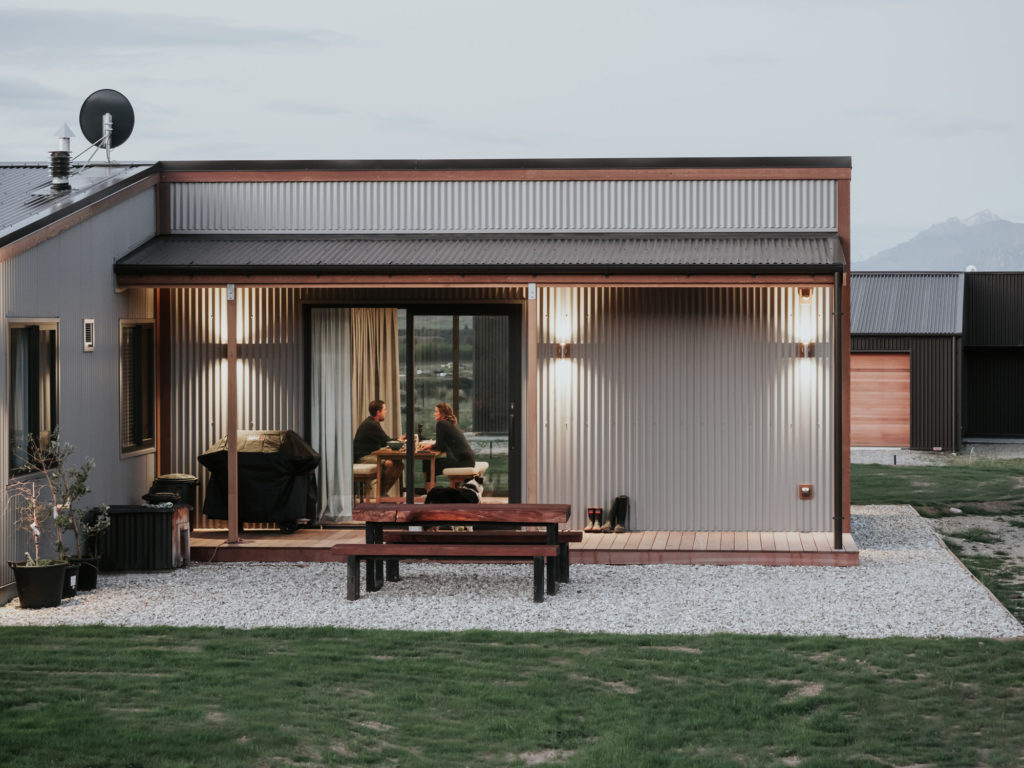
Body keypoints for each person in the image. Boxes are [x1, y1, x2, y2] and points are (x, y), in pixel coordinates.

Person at [353, 399, 403, 493]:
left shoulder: (373, 423)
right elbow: (386, 441)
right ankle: (381, 494)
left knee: (399, 465)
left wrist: (399, 439)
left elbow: (385, 440)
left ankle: (383, 493)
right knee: (390, 464)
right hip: (362, 457)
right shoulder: (371, 424)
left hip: (370, 455)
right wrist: (400, 440)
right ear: (378, 412)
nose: (386, 412)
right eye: (384, 409)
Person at [419, 402, 475, 476]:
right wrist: (431, 446)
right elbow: (443, 445)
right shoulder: (450, 423)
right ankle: (430, 487)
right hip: (468, 461)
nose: (434, 414)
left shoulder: (441, 423)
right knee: (428, 462)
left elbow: (440, 448)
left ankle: (429, 487)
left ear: (443, 413)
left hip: (462, 462)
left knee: (428, 464)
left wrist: (431, 446)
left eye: (436, 411)